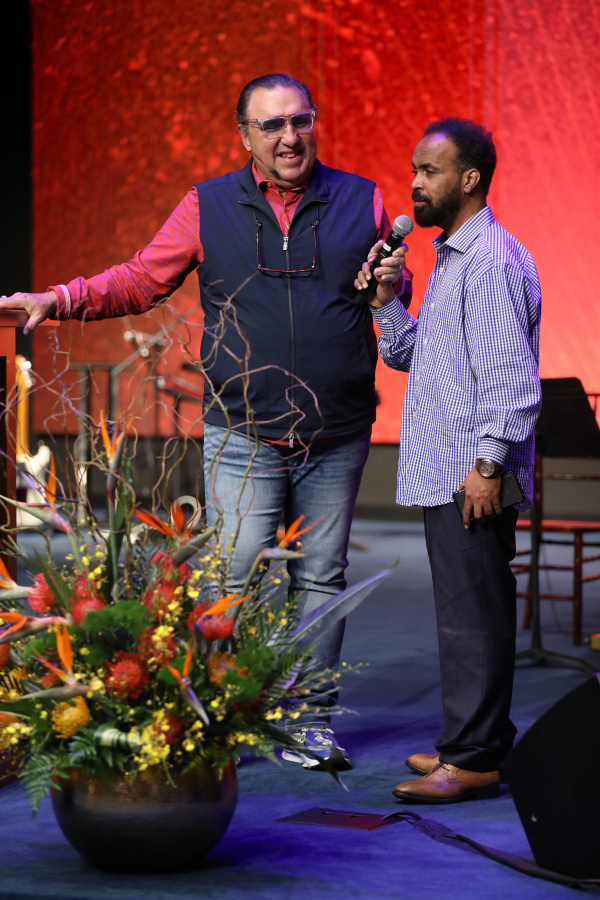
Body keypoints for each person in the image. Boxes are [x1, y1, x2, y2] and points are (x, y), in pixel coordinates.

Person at [0, 72, 409, 771]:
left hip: (336, 432)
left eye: (301, 121)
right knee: (231, 580)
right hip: (242, 431)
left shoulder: (363, 200)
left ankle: (308, 720)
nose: (290, 137)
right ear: (245, 136)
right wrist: (59, 299)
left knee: (321, 578)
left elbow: (388, 299)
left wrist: (392, 292)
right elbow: (141, 279)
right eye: (272, 125)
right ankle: (219, 718)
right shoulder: (207, 205)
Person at [356, 117, 541, 802]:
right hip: (450, 469)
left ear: (469, 178)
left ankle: (474, 760)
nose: (415, 183)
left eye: (429, 171)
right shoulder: (454, 259)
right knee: (465, 615)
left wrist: (488, 466)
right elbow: (416, 357)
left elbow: (512, 383)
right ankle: (471, 741)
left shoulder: (490, 261)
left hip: (472, 475)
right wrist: (385, 305)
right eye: (414, 169)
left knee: (475, 617)